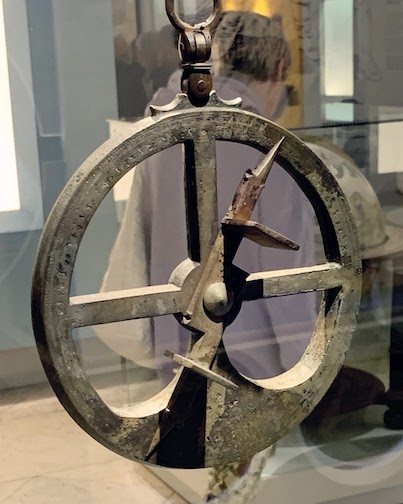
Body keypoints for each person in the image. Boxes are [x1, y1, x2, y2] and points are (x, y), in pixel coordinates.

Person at [98, 9, 317, 392]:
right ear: (280, 67)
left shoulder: (161, 134)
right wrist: (303, 374)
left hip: (174, 346)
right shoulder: (270, 154)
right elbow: (289, 287)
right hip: (250, 365)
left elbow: (143, 240)